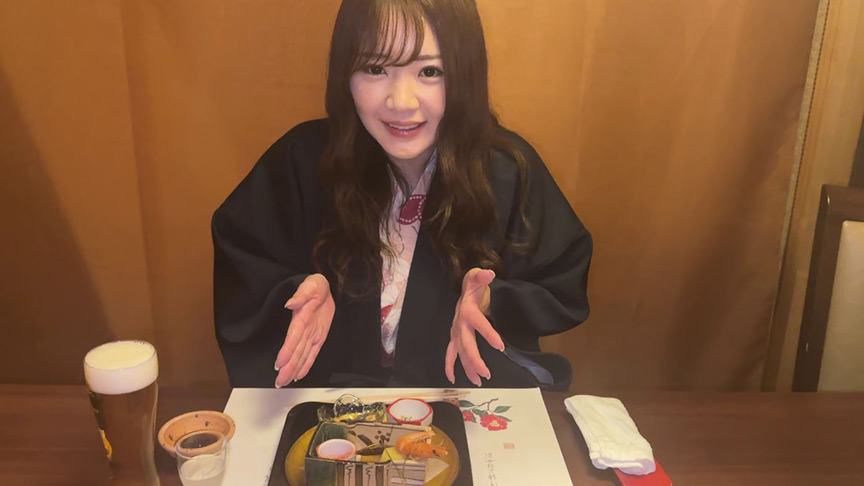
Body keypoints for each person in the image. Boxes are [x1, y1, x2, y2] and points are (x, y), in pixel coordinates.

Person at [212, 0, 592, 390]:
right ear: (345, 72)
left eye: (430, 71)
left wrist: (492, 299)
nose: (401, 102)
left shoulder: (506, 171)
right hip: (334, 401)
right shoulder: (302, 160)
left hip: (459, 398)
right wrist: (293, 292)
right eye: (375, 69)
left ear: (465, 73)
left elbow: (559, 281)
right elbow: (244, 264)